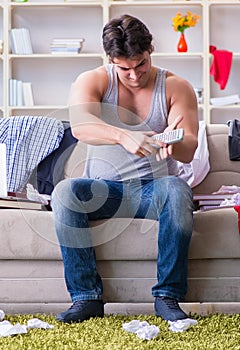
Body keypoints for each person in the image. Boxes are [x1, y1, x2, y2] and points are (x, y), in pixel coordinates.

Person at [51, 14, 199, 323]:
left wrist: (176, 139)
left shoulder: (176, 87)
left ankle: (167, 296)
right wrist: (124, 136)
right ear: (110, 60)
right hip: (103, 190)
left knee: (176, 188)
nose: (134, 76)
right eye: (124, 69)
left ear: (150, 52)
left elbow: (188, 152)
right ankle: (86, 298)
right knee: (65, 191)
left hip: (153, 190)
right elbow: (80, 127)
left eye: (141, 65)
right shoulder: (93, 80)